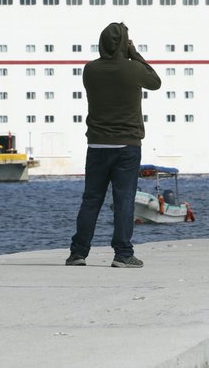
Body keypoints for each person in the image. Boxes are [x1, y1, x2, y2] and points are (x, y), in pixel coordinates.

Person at [66, 22, 161, 268]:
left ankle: (78, 253)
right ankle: (122, 254)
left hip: (97, 145)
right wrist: (134, 54)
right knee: (124, 200)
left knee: (91, 200)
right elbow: (155, 81)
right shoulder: (133, 70)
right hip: (127, 146)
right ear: (123, 44)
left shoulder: (90, 70)